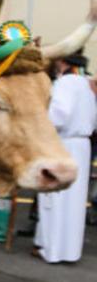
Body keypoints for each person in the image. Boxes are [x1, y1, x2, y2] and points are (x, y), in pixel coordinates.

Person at [34, 52, 97, 263]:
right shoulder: (86, 85)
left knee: (56, 197)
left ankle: (53, 250)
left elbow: (59, 116)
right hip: (82, 144)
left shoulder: (65, 83)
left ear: (62, 62)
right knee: (74, 201)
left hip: (64, 143)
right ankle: (68, 251)